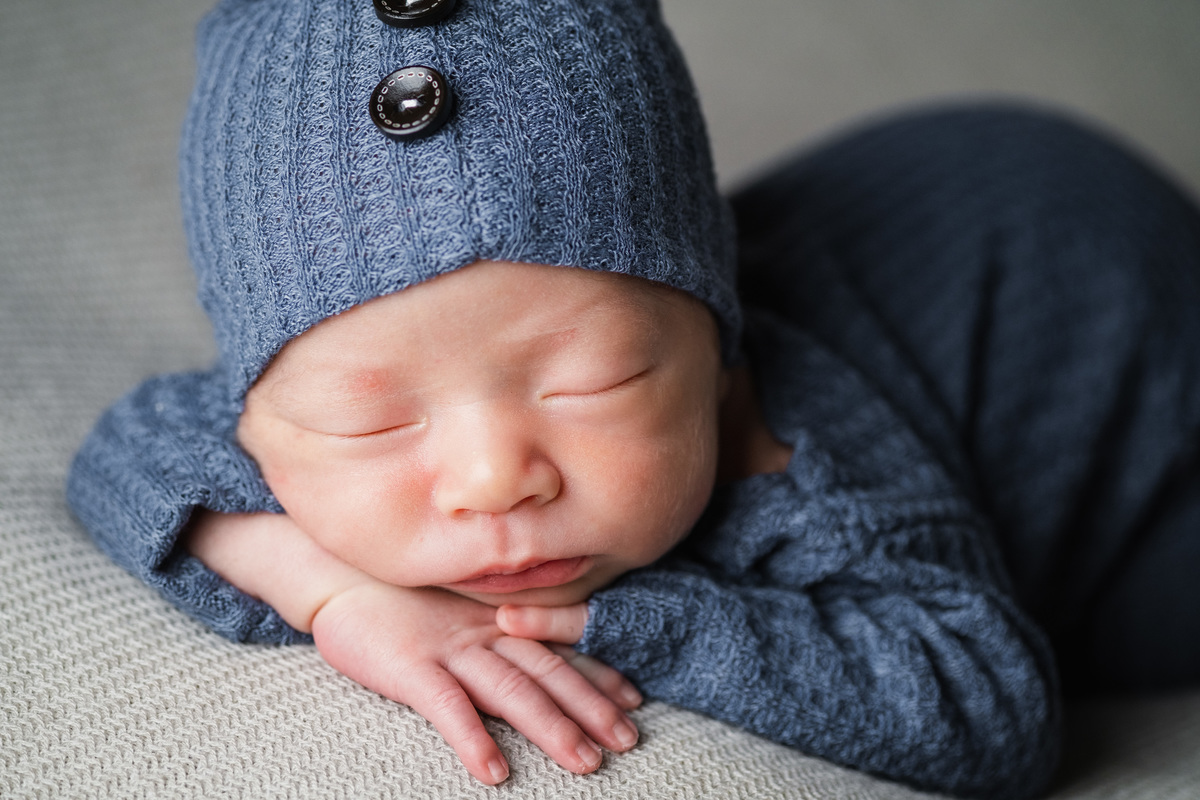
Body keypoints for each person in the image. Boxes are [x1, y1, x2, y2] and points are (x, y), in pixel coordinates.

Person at [66, 1, 1200, 798]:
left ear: (718, 348)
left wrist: (649, 617)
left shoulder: (800, 460)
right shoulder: (276, 385)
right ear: (256, 405)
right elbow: (122, 449)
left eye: (593, 381)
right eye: (372, 418)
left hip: (1136, 385)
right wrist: (330, 592)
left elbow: (994, 703)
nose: (494, 475)